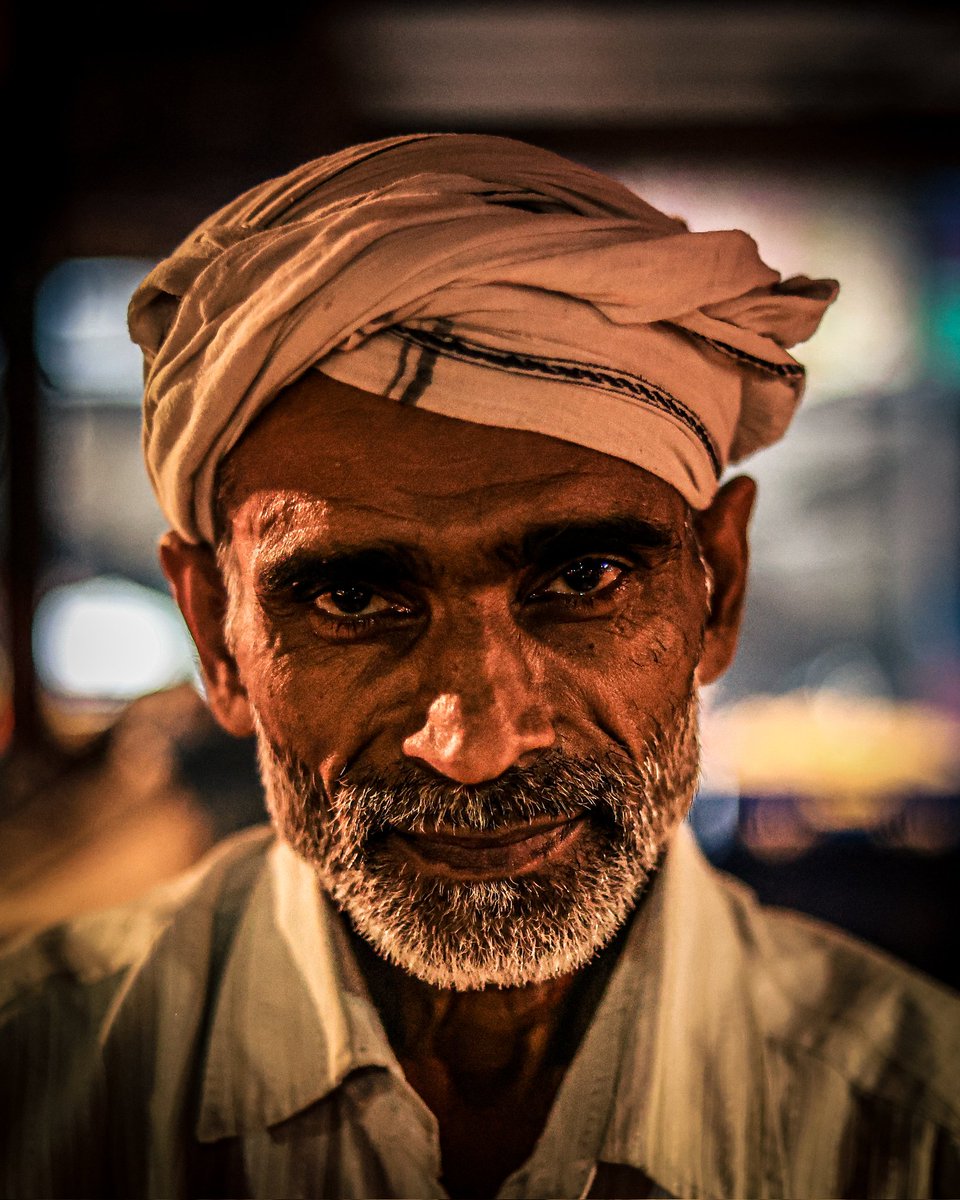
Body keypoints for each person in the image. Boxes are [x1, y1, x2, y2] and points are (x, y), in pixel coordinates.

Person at [2, 134, 958, 1200]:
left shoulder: (922, 1128)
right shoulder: (31, 1085)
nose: (476, 744)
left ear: (717, 589)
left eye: (585, 577)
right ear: (217, 634)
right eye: (353, 599)